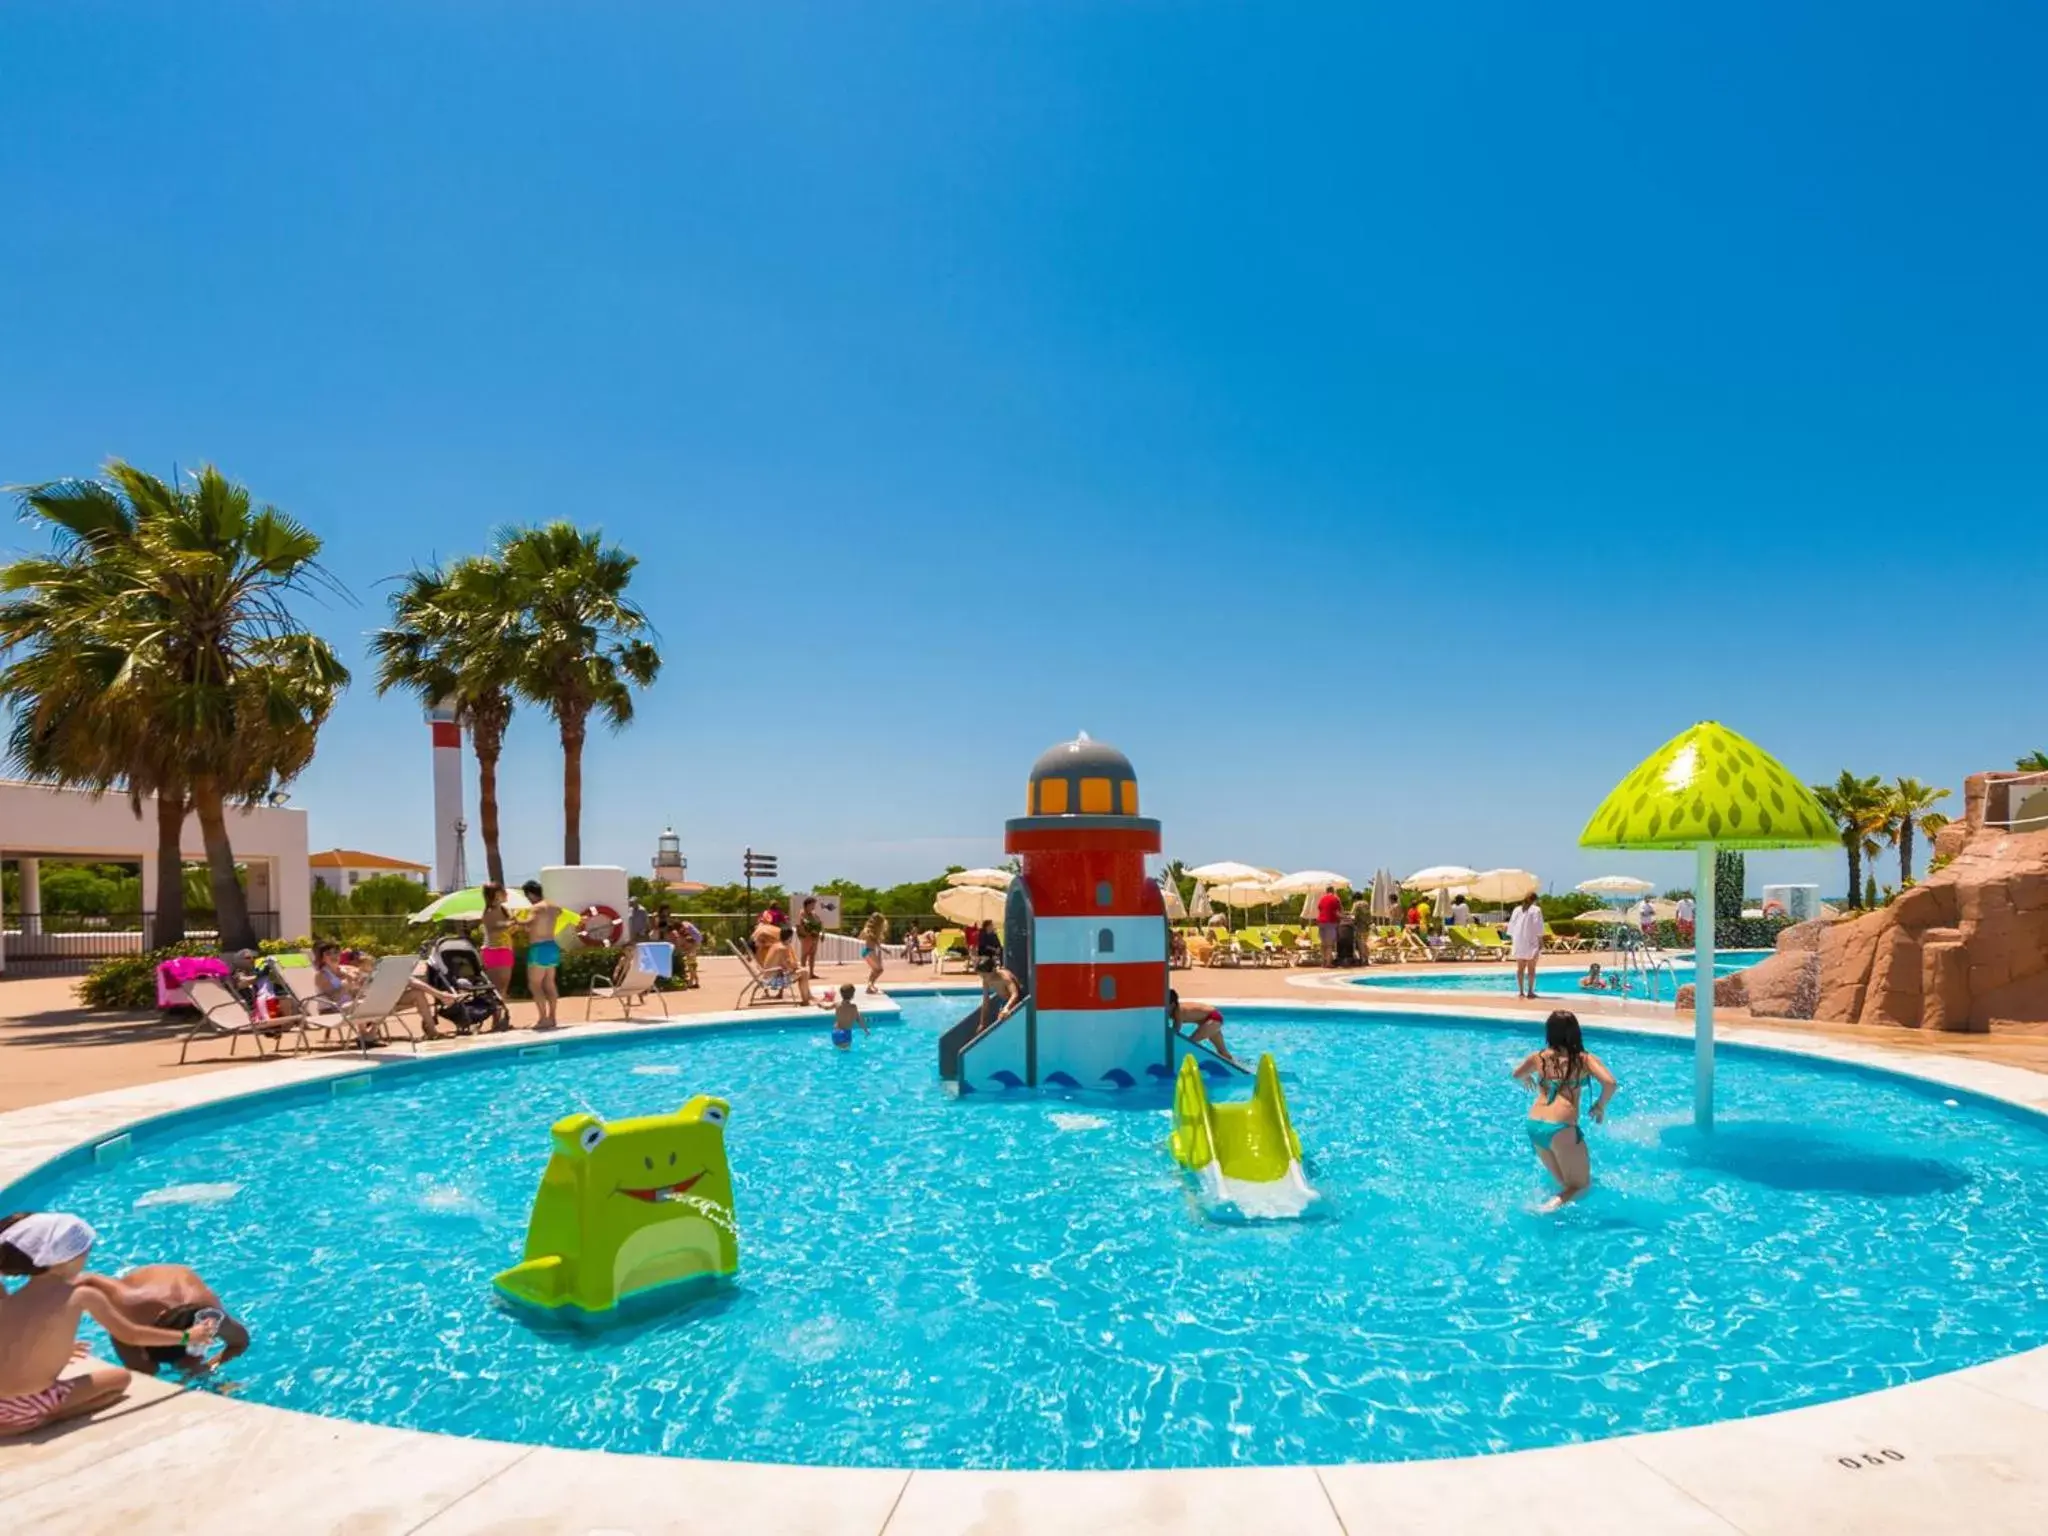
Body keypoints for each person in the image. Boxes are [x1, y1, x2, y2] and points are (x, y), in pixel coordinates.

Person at [0, 1212, 220, 1436]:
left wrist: (60, 1351)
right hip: (27, 1408)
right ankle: (44, 1419)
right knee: (119, 1381)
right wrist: (188, 1337)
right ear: (68, 1257)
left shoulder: (10, 1299)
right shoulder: (81, 1296)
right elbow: (132, 1335)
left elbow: (15, 1342)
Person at [1512, 1011, 1618, 1211]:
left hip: (1534, 1124)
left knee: (1566, 1187)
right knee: (1581, 1186)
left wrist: (1527, 1079)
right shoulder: (1583, 1059)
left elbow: (1517, 1074)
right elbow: (1610, 1083)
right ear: (1575, 1032)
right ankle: (1545, 1211)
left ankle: (1551, 1210)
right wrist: (1599, 1106)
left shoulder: (1538, 1057)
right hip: (1560, 1127)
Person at [83, 1263, 249, 1379]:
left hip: (182, 1285)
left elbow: (240, 1343)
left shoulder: (210, 1318)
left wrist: (210, 1366)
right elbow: (87, 1279)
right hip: (147, 1284)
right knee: (143, 1371)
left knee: (194, 1367)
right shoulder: (129, 1306)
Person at [520, 880, 566, 1030]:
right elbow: (559, 913)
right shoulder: (554, 907)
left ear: (531, 894)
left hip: (538, 948)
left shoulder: (535, 909)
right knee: (550, 983)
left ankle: (542, 1019)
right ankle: (553, 1018)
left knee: (535, 985)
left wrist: (517, 920)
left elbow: (529, 923)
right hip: (552, 946)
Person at [1168, 988, 1237, 1065]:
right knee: (1222, 1051)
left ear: (1173, 1004)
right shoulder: (1172, 1010)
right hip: (1212, 1018)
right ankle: (1237, 1065)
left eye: (1165, 1004)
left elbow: (1175, 1032)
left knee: (1191, 1042)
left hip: (1213, 1018)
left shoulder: (1178, 1011)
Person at [479, 883, 517, 999]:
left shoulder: (504, 910)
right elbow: (493, 928)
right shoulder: (489, 911)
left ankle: (500, 1016)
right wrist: (510, 923)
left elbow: (505, 930)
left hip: (505, 949)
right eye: (503, 891)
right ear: (497, 895)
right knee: (495, 989)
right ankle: (497, 1015)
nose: (506, 894)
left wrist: (514, 925)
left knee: (503, 989)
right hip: (493, 950)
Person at [761, 925, 815, 1006]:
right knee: (804, 973)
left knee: (802, 971)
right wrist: (798, 967)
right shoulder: (783, 948)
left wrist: (796, 967)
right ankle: (806, 1001)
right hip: (773, 981)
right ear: (790, 937)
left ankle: (808, 997)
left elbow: (787, 965)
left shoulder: (776, 945)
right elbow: (789, 967)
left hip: (767, 977)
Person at [1506, 891, 1544, 1000]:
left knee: (1520, 968)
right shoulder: (1536, 910)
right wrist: (1540, 941)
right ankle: (1530, 992)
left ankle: (1521, 992)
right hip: (1531, 941)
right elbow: (1538, 926)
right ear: (1535, 900)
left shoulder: (1517, 910)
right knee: (1531, 968)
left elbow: (1511, 926)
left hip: (1519, 941)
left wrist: (1514, 939)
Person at [822, 983, 869, 1049]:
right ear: (852, 995)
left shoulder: (837, 1004)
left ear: (841, 994)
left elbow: (826, 1008)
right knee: (845, 1052)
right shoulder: (853, 1007)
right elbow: (859, 1020)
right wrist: (866, 1030)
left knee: (837, 1050)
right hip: (846, 1033)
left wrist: (820, 1005)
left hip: (836, 1032)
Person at [1315, 885, 1343, 965]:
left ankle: (1323, 962)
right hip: (1330, 922)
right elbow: (1338, 912)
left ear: (1326, 891)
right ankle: (1328, 963)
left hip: (1321, 922)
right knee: (1329, 945)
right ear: (1333, 891)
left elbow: (1320, 909)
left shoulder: (1322, 899)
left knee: (1323, 944)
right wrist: (1343, 917)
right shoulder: (1336, 899)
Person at [860, 912, 887, 994]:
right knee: (879, 970)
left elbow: (877, 943)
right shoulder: (869, 930)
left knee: (876, 970)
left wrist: (884, 950)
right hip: (869, 952)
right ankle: (870, 985)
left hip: (868, 951)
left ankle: (870, 986)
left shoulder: (873, 931)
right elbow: (864, 937)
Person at [796, 897, 824, 979]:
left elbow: (820, 923)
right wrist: (806, 933)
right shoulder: (801, 913)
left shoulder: (814, 914)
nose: (813, 906)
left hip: (815, 938)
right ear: (807, 905)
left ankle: (811, 973)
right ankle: (803, 974)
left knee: (812, 955)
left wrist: (821, 933)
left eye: (814, 904)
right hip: (806, 937)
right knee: (804, 955)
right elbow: (799, 926)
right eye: (812, 904)